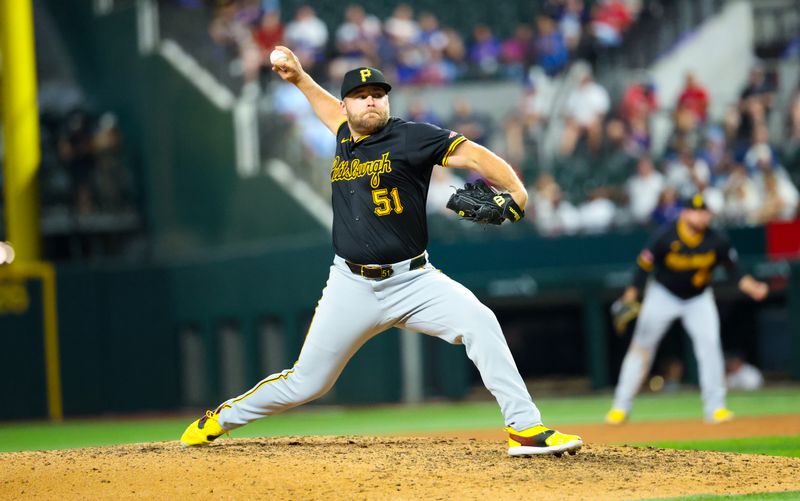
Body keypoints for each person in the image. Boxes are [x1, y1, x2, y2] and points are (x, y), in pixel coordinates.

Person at [181, 46, 583, 457]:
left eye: (378, 92)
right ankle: (219, 421)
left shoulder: (410, 137)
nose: (371, 99)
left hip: (414, 280)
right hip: (350, 284)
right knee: (307, 383)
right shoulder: (343, 134)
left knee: (481, 321)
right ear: (347, 105)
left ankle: (525, 428)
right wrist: (300, 77)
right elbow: (326, 110)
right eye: (361, 94)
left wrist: (516, 190)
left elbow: (473, 154)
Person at [605, 193, 769, 425]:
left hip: (698, 299)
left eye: (704, 212)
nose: (701, 216)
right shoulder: (666, 235)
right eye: (696, 211)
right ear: (684, 213)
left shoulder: (717, 240)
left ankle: (716, 408)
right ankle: (620, 406)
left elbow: (735, 271)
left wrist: (753, 287)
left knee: (710, 346)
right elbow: (643, 266)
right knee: (641, 348)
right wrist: (630, 295)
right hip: (662, 295)